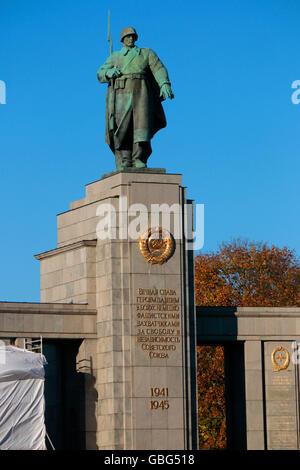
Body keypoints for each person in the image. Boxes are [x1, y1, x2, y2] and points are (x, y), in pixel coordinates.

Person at [97, 27, 174, 170]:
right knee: (122, 127)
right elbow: (100, 73)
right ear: (122, 39)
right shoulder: (116, 57)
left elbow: (158, 68)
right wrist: (109, 72)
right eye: (127, 37)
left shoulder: (146, 53)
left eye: (132, 36)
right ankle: (125, 159)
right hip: (122, 93)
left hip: (142, 92)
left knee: (141, 126)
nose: (130, 39)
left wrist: (164, 83)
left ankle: (139, 158)